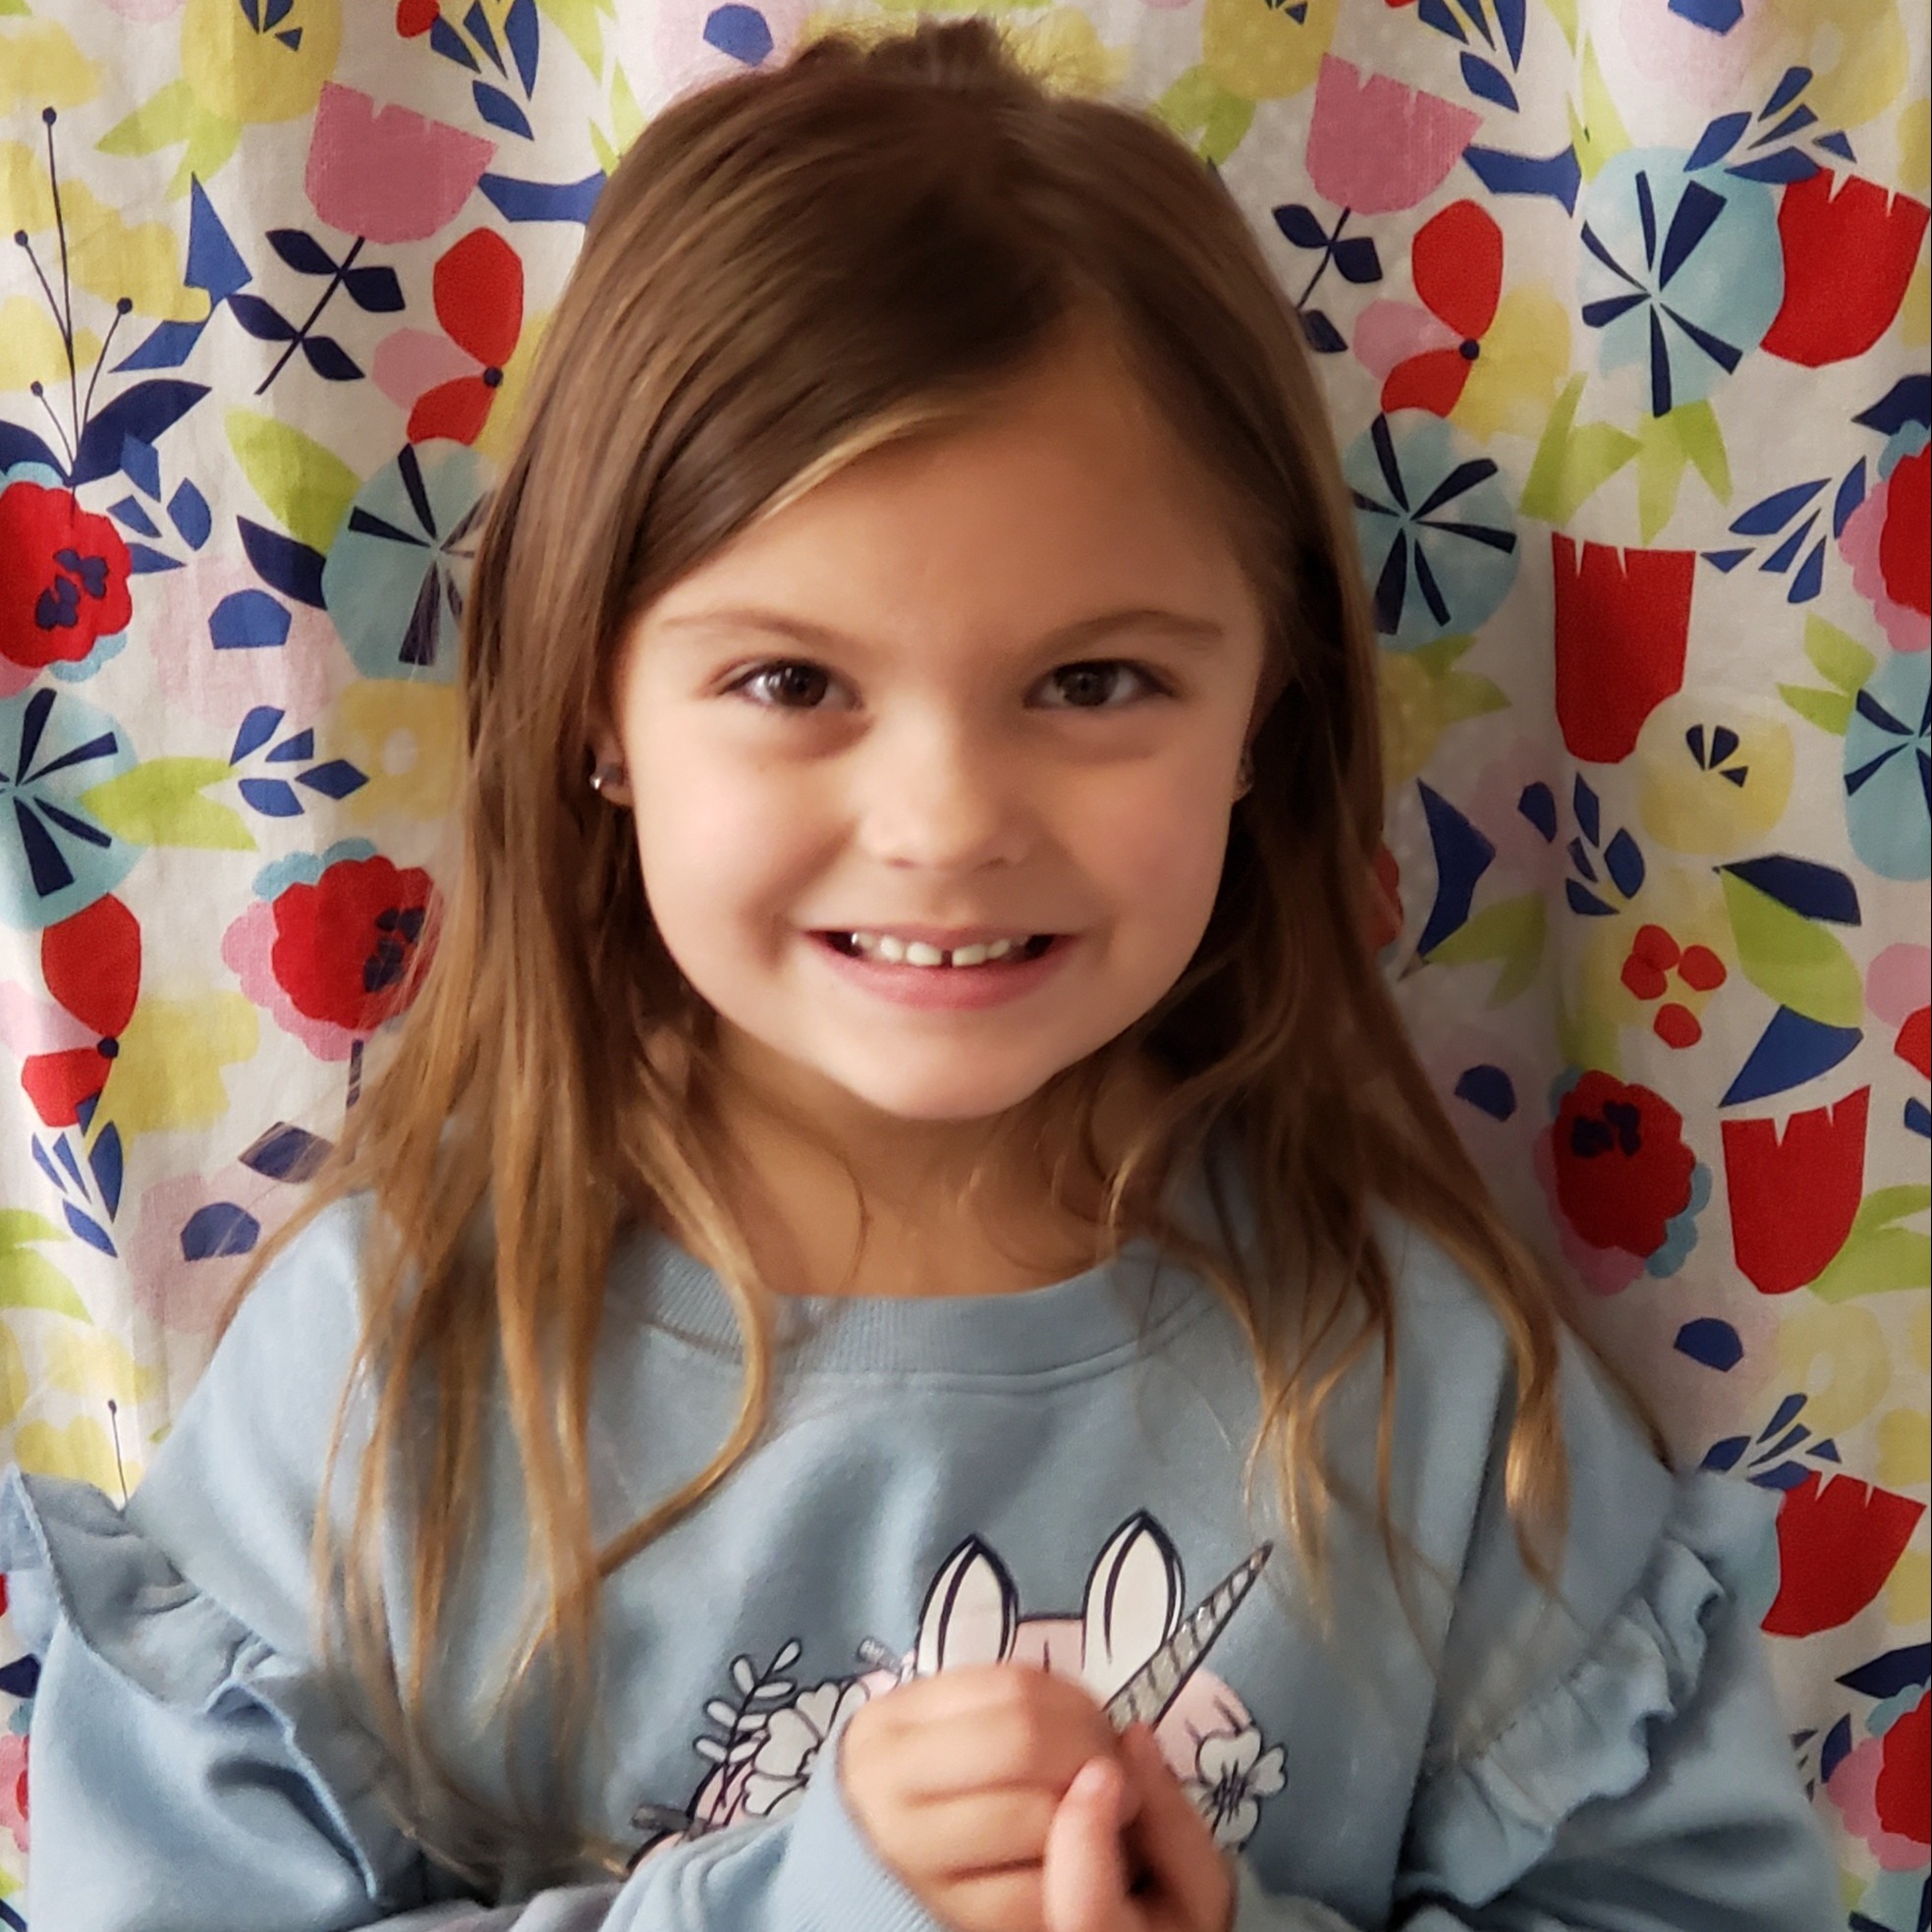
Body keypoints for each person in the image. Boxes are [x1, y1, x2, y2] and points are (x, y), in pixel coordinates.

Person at [0, 19, 1837, 1932]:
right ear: (595, 711)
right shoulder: (402, 1371)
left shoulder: (1428, 1388)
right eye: (791, 683)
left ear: (1262, 709)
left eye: (1094, 683)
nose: (949, 820)